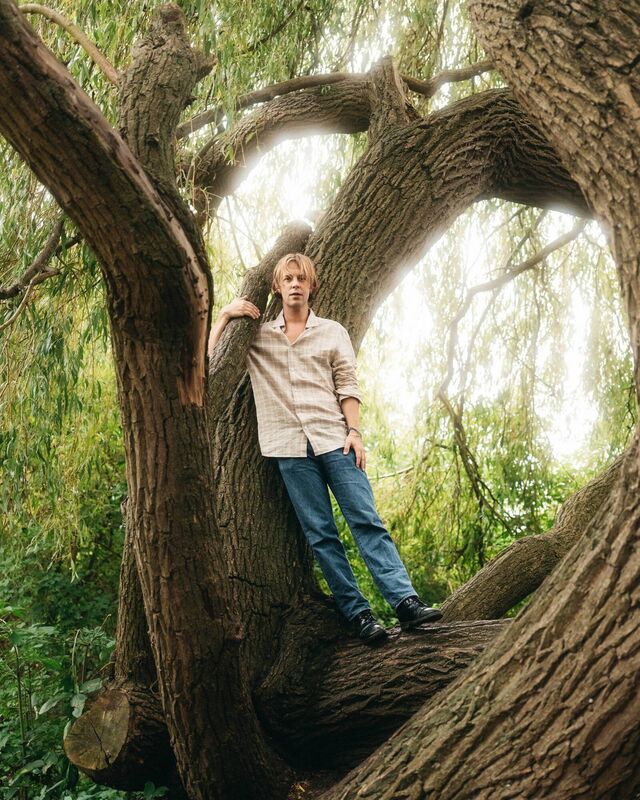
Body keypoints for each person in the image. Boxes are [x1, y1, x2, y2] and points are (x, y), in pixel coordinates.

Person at [208, 252, 443, 643]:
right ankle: (360, 615)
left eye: (302, 278)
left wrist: (355, 431)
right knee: (321, 534)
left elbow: (347, 384)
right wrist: (224, 317)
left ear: (311, 285)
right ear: (277, 287)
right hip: (288, 448)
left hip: (336, 439)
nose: (295, 284)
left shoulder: (332, 331)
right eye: (288, 279)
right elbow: (209, 364)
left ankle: (405, 603)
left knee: (367, 521)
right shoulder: (257, 336)